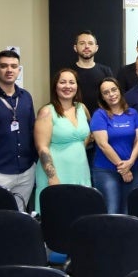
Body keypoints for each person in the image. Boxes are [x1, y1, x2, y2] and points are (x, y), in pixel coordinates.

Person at [0, 50, 37, 211]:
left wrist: (33, 161)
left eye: (13, 66)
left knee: (18, 220)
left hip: (26, 172)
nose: (9, 70)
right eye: (4, 66)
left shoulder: (25, 96)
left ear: (19, 70)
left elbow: (31, 129)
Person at [34, 69, 92, 211]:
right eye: (63, 82)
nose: (67, 86)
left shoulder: (82, 108)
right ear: (55, 86)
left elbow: (88, 135)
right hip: (56, 174)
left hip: (80, 171)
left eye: (72, 82)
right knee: (56, 217)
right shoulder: (47, 111)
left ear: (77, 86)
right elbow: (42, 148)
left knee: (80, 216)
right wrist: (52, 177)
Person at [90, 78, 138, 214]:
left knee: (128, 211)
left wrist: (130, 163)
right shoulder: (99, 115)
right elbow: (103, 144)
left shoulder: (132, 113)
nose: (111, 94)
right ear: (102, 97)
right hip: (106, 171)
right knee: (111, 210)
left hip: (133, 169)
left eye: (114, 90)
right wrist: (123, 168)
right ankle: (108, 236)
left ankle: (125, 236)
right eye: (106, 92)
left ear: (120, 90)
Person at [72, 31, 113, 114]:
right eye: (82, 43)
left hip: (101, 118)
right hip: (75, 118)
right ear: (75, 47)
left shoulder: (106, 71)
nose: (86, 46)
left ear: (96, 48)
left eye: (90, 43)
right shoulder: (68, 72)